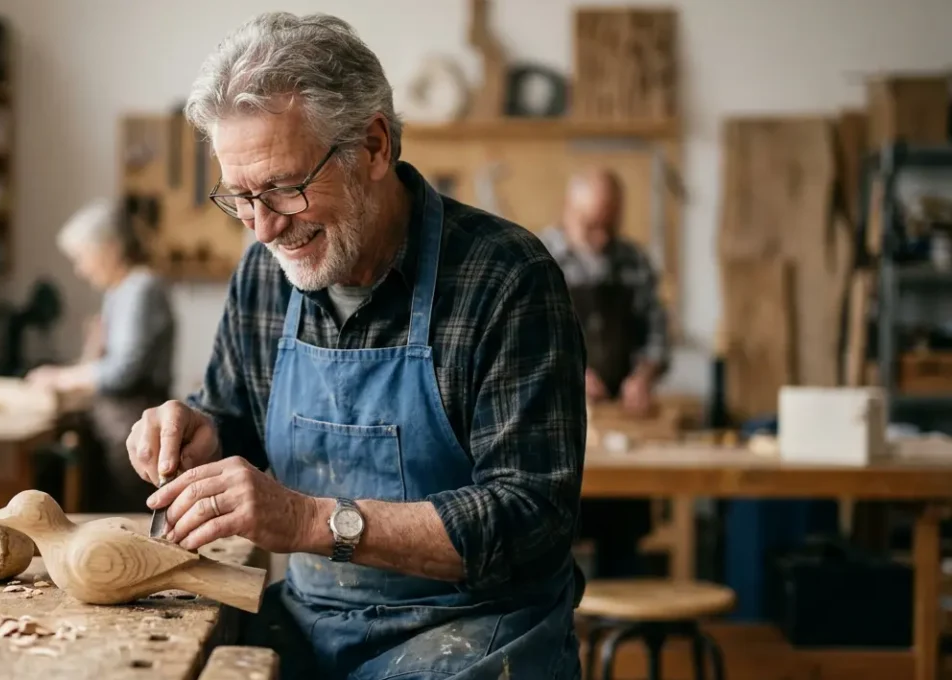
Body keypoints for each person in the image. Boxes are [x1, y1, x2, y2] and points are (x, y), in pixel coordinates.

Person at [123, 13, 587, 679]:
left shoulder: (506, 280)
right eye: (242, 197)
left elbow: (532, 520)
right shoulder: (264, 274)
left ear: (374, 147)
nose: (264, 229)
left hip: (481, 632)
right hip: (317, 621)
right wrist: (200, 432)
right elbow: (236, 421)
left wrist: (315, 522)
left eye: (284, 188)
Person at [540, 169, 672, 578]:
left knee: (624, 539)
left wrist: (643, 376)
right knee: (552, 539)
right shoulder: (537, 258)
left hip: (621, 426)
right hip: (555, 429)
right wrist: (568, 372)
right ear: (568, 211)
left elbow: (657, 335)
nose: (600, 237)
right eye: (590, 225)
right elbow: (524, 339)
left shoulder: (633, 262)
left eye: (609, 225)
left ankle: (620, 625)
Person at [28, 198, 176, 512]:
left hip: (133, 429)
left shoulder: (141, 289)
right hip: (113, 427)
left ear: (109, 248)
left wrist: (60, 377)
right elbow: (103, 361)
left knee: (129, 520)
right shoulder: (118, 291)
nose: (81, 270)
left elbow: (122, 373)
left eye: (83, 257)